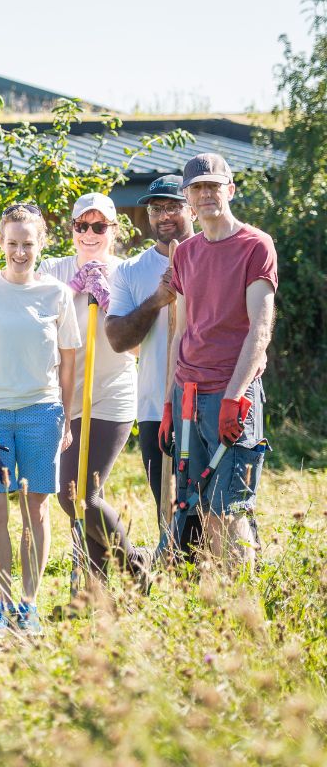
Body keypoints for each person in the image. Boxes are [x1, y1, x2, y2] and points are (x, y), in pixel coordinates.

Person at [0, 204, 79, 634]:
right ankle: (2, 603)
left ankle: (28, 604)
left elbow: (68, 364)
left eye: (28, 243)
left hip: (42, 413)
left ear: (41, 244)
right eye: (12, 243)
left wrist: (65, 418)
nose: (20, 252)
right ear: (0, 243)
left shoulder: (57, 295)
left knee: (37, 511)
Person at [160, 153, 276, 568]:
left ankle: (246, 610)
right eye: (197, 188)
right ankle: (225, 603)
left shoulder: (255, 245)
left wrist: (234, 396)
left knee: (231, 509)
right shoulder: (186, 253)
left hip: (230, 394)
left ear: (230, 189)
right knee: (202, 508)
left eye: (213, 186)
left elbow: (260, 329)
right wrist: (170, 403)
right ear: (188, 198)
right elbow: (182, 330)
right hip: (188, 396)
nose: (206, 194)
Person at [39, 193, 150, 586]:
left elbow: (140, 348)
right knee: (80, 497)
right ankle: (92, 589)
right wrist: (71, 291)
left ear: (114, 231)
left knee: (77, 495)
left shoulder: (127, 274)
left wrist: (107, 301)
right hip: (65, 396)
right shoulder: (52, 269)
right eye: (81, 225)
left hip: (113, 395)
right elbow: (38, 329)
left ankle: (134, 567)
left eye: (99, 226)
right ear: (71, 230)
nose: (89, 233)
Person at [105, 175, 200, 550]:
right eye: (156, 208)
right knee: (167, 503)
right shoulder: (130, 271)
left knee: (208, 502)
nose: (164, 216)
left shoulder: (212, 256)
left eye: (173, 206)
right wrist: (157, 300)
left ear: (191, 208)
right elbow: (117, 339)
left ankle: (212, 580)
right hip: (153, 405)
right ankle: (176, 575)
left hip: (204, 399)